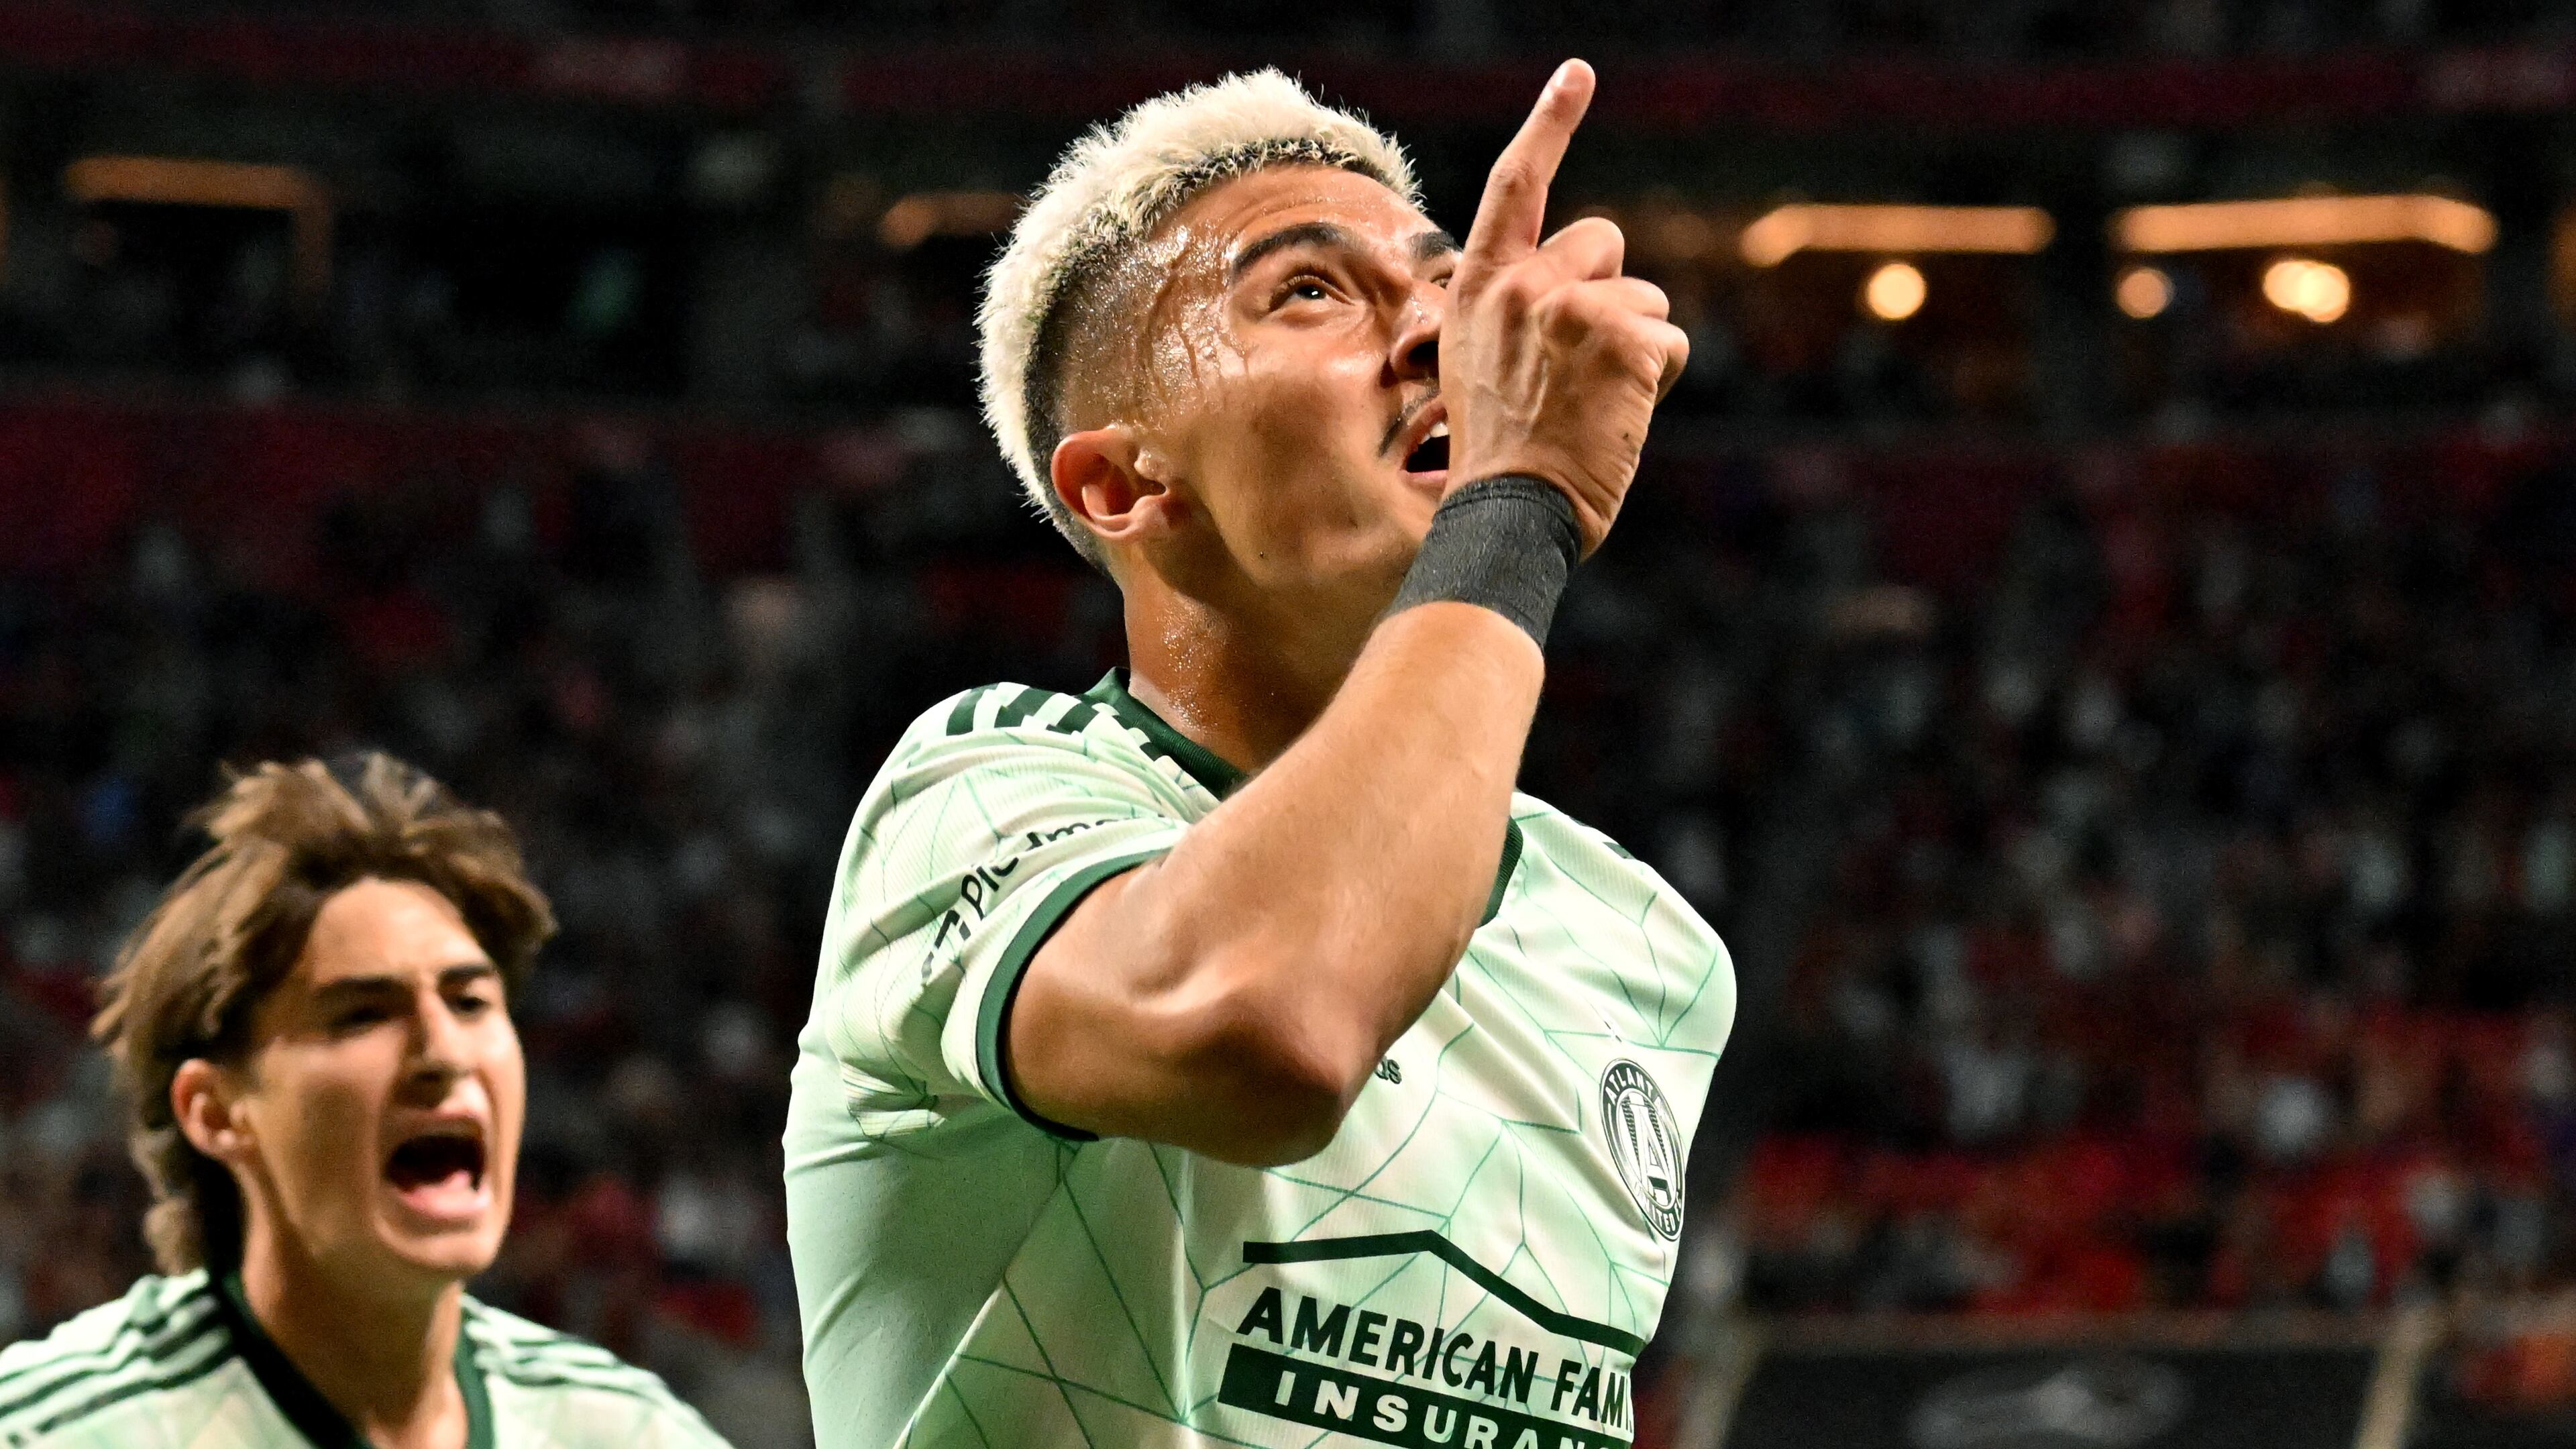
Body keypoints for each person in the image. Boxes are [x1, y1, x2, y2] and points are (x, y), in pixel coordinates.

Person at [784, 60, 1728, 1448]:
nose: (1440, 339)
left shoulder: (1647, 944)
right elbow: (1270, 1025)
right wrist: (1515, 506)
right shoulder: (983, 795)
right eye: (1310, 291)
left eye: (1448, 288)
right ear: (1122, 485)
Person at [0, 754, 731, 1449]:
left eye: (471, 1001)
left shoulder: (629, 1432)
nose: (444, 1052)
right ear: (217, 1111)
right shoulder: (50, 1432)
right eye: (361, 1015)